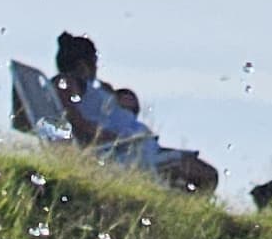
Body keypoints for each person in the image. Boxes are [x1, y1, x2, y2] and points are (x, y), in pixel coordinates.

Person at [53, 29, 219, 199]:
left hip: (142, 149)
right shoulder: (67, 82)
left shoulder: (99, 88)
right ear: (84, 63)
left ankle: (174, 208)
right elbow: (76, 122)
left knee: (208, 175)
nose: (97, 66)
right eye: (95, 61)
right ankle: (173, 208)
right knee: (206, 177)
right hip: (125, 155)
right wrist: (116, 139)